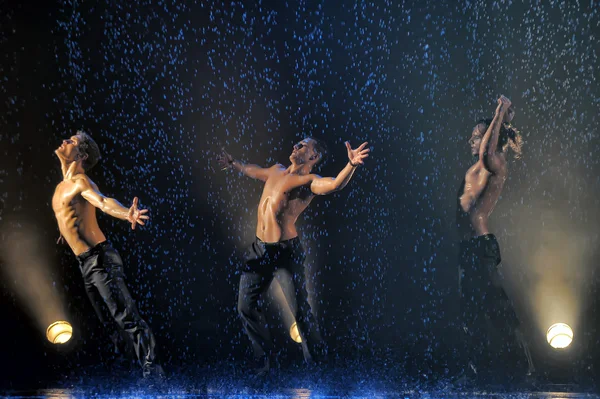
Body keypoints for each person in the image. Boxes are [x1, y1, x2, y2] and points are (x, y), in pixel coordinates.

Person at [217, 138, 370, 376]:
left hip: (285, 254)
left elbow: (334, 185)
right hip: (259, 250)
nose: (296, 146)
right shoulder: (276, 170)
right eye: (297, 144)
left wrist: (350, 165)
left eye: (303, 146)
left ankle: (319, 370)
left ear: (313, 157)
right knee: (245, 307)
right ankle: (265, 367)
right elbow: (252, 170)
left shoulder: (307, 181)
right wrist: (233, 162)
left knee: (300, 313)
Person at [52, 130, 163, 379]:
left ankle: (154, 375)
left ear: (81, 155)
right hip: (85, 264)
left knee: (127, 318)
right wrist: (66, 231)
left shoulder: (82, 182)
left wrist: (127, 214)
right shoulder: (63, 184)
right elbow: (70, 212)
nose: (64, 141)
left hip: (100, 260)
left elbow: (102, 202)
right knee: (110, 325)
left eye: (71, 141)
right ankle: (126, 374)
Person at [456, 96, 534, 383]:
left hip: (482, 248)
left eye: (477, 136)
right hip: (468, 249)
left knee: (499, 310)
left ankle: (524, 371)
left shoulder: (496, 162)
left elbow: (487, 151)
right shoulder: (476, 169)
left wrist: (500, 114)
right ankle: (480, 373)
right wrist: (499, 121)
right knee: (471, 315)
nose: (471, 140)